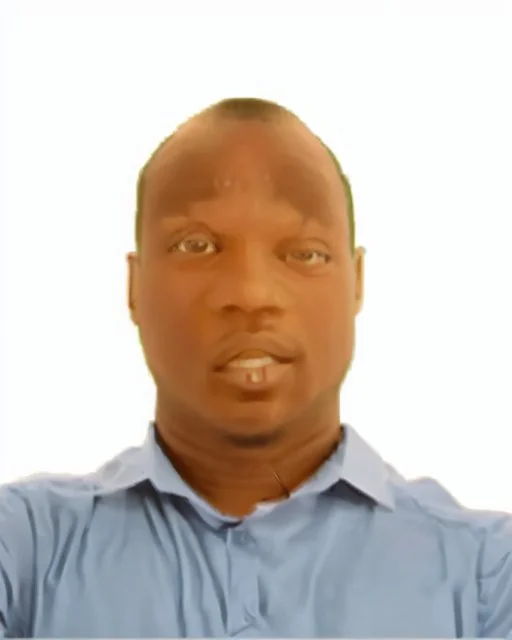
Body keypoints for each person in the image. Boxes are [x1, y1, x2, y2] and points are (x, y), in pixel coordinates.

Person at [1, 97, 511, 639]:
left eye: (305, 253)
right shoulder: (25, 550)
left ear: (357, 283)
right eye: (196, 245)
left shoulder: (486, 576)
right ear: (134, 286)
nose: (251, 294)